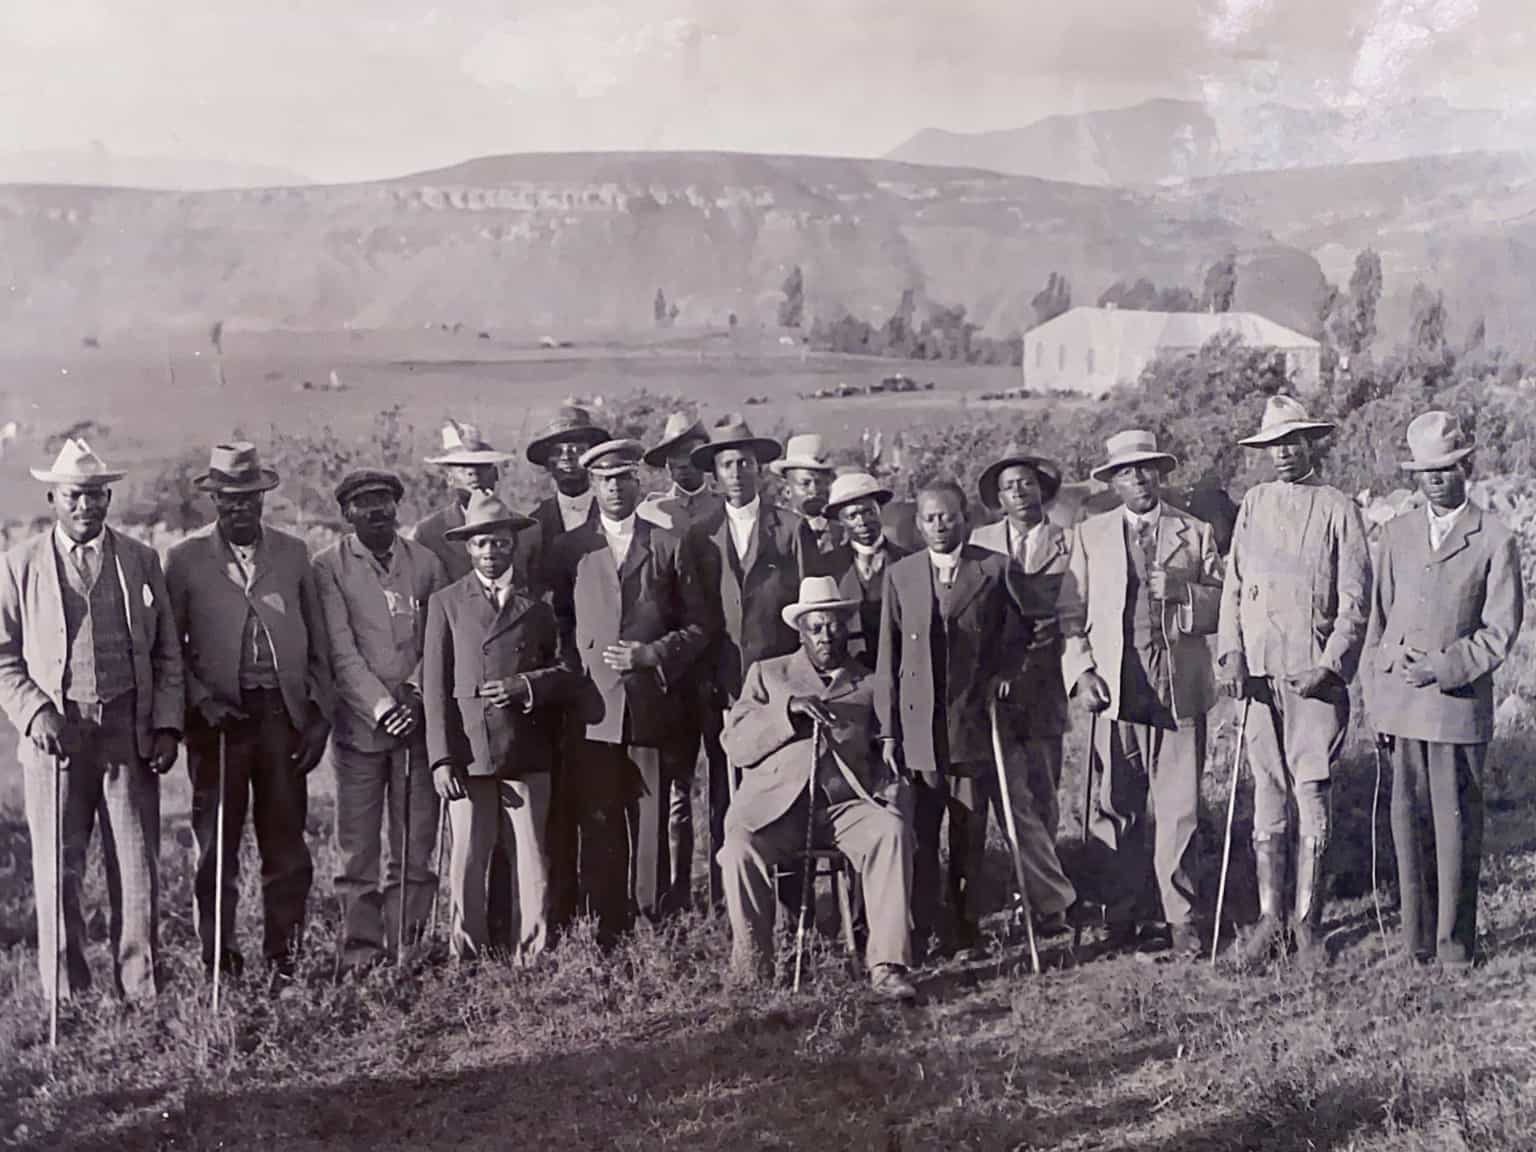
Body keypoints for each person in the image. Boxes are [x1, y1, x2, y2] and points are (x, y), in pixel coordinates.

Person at [0, 440, 182, 1004]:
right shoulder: (20, 564)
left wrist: (167, 726)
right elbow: (3, 657)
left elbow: (166, 654)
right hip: (57, 738)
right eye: (75, 496)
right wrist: (36, 713)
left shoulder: (139, 559)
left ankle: (140, 989)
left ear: (108, 498)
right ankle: (67, 993)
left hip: (127, 732)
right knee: (59, 868)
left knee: (136, 867)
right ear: (53, 497)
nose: (86, 506)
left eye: (96, 495)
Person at [876, 480, 1075, 959]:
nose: (939, 526)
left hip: (973, 729)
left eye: (947, 516)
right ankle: (921, 931)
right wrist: (888, 731)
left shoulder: (993, 569)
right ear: (917, 523)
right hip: (919, 732)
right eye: (929, 518)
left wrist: (1010, 675)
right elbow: (889, 657)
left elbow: (1038, 630)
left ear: (965, 519)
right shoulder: (901, 576)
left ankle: (965, 930)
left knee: (968, 832)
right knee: (922, 836)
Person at [165, 442, 333, 985]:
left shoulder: (292, 554)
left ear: (263, 498)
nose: (240, 507)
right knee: (216, 846)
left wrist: (317, 718)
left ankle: (284, 961)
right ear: (213, 500)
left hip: (280, 717)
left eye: (249, 497)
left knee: (286, 844)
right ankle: (220, 962)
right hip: (218, 723)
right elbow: (170, 647)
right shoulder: (186, 559)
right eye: (228, 498)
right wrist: (201, 701)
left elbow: (319, 647)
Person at [1057, 431, 1224, 958]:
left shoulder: (1193, 533)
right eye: (1127, 472)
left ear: (1161, 474)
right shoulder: (1090, 536)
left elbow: (1224, 603)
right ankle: (1121, 914)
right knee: (1116, 807)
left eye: (1147, 469)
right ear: (1113, 481)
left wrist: (1185, 593)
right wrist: (1082, 673)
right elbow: (1070, 616)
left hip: (1178, 688)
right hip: (1116, 691)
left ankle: (1182, 920)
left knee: (1179, 810)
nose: (1138, 479)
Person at [1365, 411, 1523, 967]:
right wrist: (1380, 702)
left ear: (1468, 466)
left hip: (1455, 709)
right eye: (1425, 470)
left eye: (1447, 468)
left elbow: (1500, 631)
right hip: (1403, 707)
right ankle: (1416, 945)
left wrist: (1444, 667)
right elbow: (1377, 626)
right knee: (1408, 828)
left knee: (1455, 829)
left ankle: (1454, 947)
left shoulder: (1495, 539)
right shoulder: (1396, 535)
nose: (1436, 479)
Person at [1217, 396, 1371, 968]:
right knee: (1268, 791)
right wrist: (1230, 653)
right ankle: (1269, 920)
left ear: (1312, 443)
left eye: (1293, 442)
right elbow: (1233, 587)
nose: (1283, 454)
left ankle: (1309, 924)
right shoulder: (1254, 504)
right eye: (1273, 445)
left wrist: (1329, 664)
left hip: (1311, 678)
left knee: (1311, 789)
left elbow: (1356, 601)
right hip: (1256, 678)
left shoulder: (1337, 508)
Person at [719, 576, 916, 1001]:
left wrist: (890, 780)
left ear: (847, 626)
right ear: (801, 631)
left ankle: (887, 966)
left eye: (835, 626)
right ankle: (754, 970)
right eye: (816, 627)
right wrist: (786, 712)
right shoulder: (769, 675)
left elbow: (886, 746)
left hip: (847, 806)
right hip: (780, 810)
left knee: (891, 831)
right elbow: (736, 745)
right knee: (738, 848)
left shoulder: (869, 682)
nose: (826, 636)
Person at [547, 439, 711, 940]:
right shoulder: (570, 549)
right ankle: (606, 925)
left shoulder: (667, 543)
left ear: (639, 484)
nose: (615, 488)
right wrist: (575, 673)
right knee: (599, 816)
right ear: (591, 486)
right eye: (604, 480)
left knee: (651, 814)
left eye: (623, 478)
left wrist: (652, 655)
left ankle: (653, 919)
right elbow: (556, 622)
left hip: (651, 704)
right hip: (594, 708)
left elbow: (699, 625)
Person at [422, 491, 576, 962]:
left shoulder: (542, 602)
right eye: (481, 544)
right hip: (469, 753)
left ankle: (532, 951)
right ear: (467, 548)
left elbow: (568, 669)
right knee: (468, 859)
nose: (491, 553)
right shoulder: (446, 602)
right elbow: (434, 687)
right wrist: (442, 758)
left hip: (526, 749)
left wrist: (524, 685)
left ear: (514, 544)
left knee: (531, 857)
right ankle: (465, 954)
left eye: (500, 543)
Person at [685, 416, 827, 906]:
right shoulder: (700, 535)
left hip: (783, 686)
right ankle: (736, 900)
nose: (737, 472)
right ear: (715, 474)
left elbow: (810, 609)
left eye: (745, 462)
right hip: (723, 684)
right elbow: (696, 613)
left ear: (759, 469)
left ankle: (794, 899)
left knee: (785, 788)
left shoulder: (790, 529)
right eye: (727, 464)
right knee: (727, 789)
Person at [313, 469, 447, 973]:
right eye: (364, 504)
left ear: (398, 507)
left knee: (414, 846)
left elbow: (438, 637)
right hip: (361, 730)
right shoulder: (328, 567)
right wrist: (383, 707)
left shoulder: (426, 563)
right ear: (346, 513)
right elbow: (341, 652)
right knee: (358, 851)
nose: (377, 511)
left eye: (385, 501)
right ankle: (362, 955)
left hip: (417, 725)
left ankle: (406, 949)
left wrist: (413, 695)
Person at [522, 404, 611, 932]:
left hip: (609, 679)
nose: (570, 458)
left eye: (579, 447)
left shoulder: (619, 515)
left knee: (606, 796)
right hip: (555, 678)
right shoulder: (534, 526)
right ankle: (557, 907)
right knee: (554, 798)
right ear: (549, 463)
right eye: (560, 450)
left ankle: (611, 908)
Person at [638, 411, 723, 911]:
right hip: (673, 670)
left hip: (723, 666)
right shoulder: (652, 512)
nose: (682, 467)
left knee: (726, 785)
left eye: (691, 456)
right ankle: (674, 896)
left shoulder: (723, 506)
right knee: (675, 792)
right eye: (673, 458)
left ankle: (722, 892)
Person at [970, 447, 1071, 839]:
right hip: (990, 682)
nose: (1020, 492)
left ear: (1041, 490)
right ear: (999, 500)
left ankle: (1047, 888)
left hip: (1046, 682)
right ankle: (1015, 879)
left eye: (1027, 483)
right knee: (1001, 790)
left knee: (1043, 785)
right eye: (1010, 487)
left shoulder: (1071, 541)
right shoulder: (979, 542)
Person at [409, 420, 517, 585]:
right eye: (463, 467)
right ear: (450, 479)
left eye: (482, 466)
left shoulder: (526, 532)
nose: (473, 473)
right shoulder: (428, 534)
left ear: (495, 474)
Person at [821, 471, 910, 665]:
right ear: (841, 521)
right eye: (852, 516)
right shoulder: (828, 566)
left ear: (880, 511)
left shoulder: (908, 561)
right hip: (849, 668)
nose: (862, 521)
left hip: (898, 662)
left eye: (869, 512)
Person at [638, 412, 722, 535]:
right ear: (668, 465)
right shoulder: (651, 511)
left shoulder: (724, 507)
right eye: (675, 455)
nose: (683, 463)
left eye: (689, 454)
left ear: (704, 459)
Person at [769, 433, 841, 552]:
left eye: (820, 482)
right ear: (787, 490)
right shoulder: (775, 534)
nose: (814, 490)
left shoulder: (843, 534)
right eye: (805, 484)